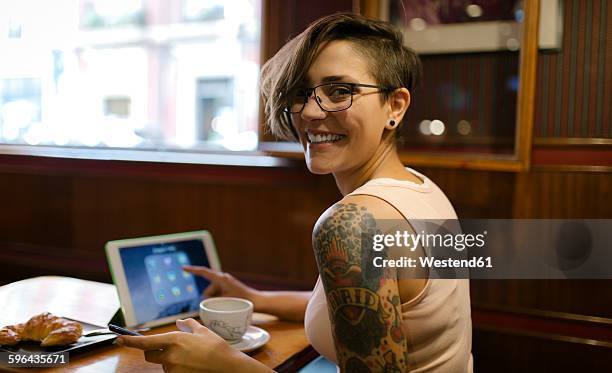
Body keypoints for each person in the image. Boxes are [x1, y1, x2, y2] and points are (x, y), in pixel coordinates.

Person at [117, 12, 473, 372]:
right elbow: (370, 307)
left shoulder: (352, 223)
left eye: (340, 91)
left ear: (394, 105)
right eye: (302, 93)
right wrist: (255, 299)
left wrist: (222, 362)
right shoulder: (419, 189)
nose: (310, 112)